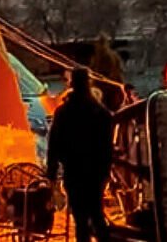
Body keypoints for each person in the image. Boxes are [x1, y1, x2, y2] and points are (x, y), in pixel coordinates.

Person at [46, 66, 114, 242]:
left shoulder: (63, 113)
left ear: (71, 84)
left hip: (74, 172)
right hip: (95, 174)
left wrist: (51, 174)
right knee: (97, 216)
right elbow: (107, 147)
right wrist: (106, 171)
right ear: (88, 83)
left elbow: (53, 145)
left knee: (81, 220)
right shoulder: (100, 113)